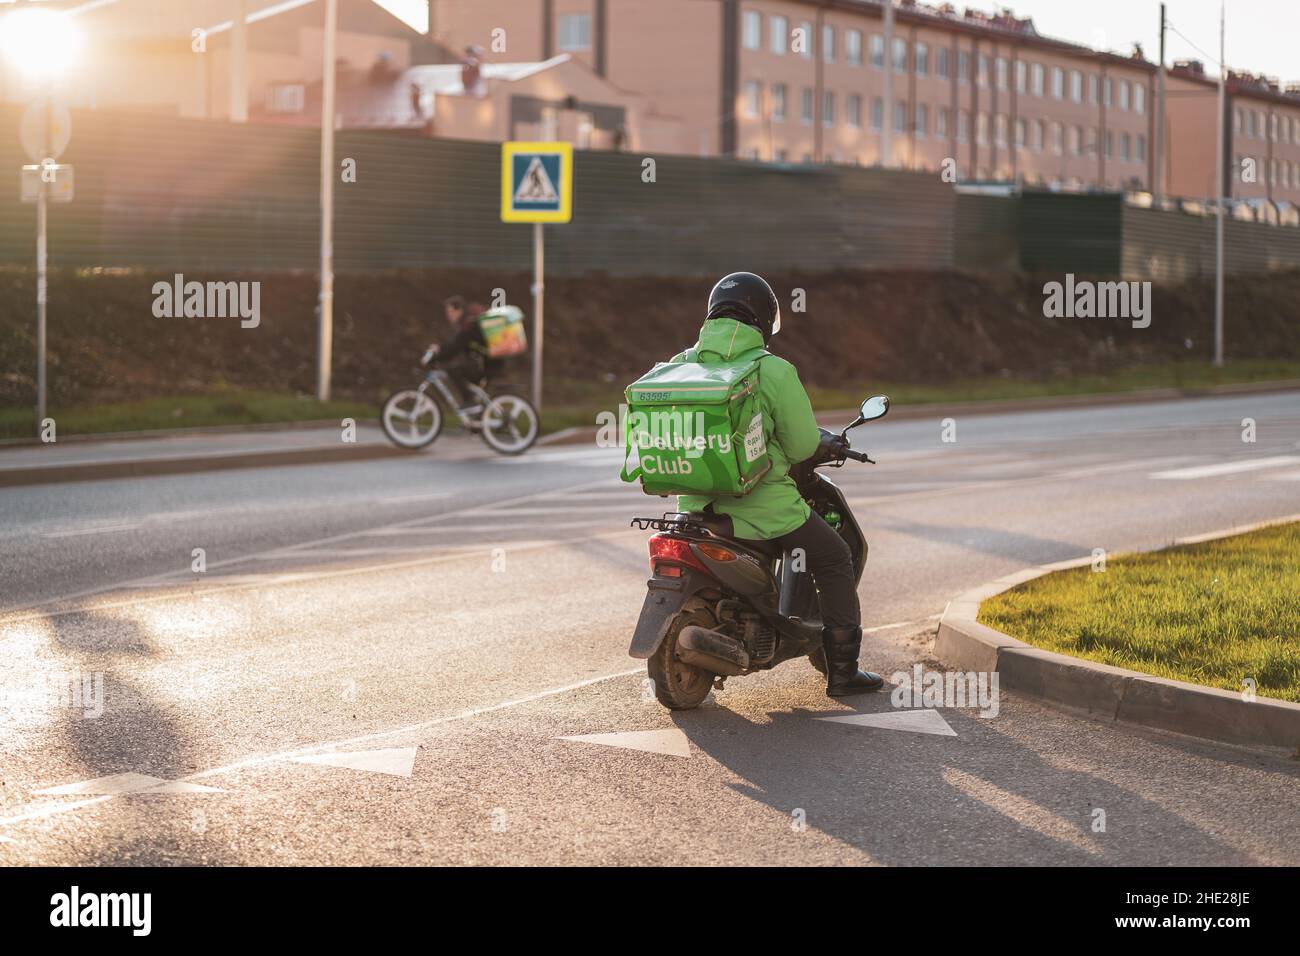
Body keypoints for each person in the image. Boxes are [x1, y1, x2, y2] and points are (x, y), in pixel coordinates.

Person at [675, 272, 883, 697]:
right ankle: (843, 672)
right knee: (834, 555)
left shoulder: (681, 364)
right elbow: (804, 443)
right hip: (762, 507)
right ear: (765, 319)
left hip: (693, 506)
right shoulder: (772, 370)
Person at [424, 295, 493, 411]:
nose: (448, 315)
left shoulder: (469, 324)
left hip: (486, 363)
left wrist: (436, 356)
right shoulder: (468, 323)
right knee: (465, 378)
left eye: (451, 312)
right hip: (487, 361)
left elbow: (455, 347)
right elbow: (455, 343)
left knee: (454, 370)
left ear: (460, 310)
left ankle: (470, 402)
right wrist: (440, 348)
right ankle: (475, 418)